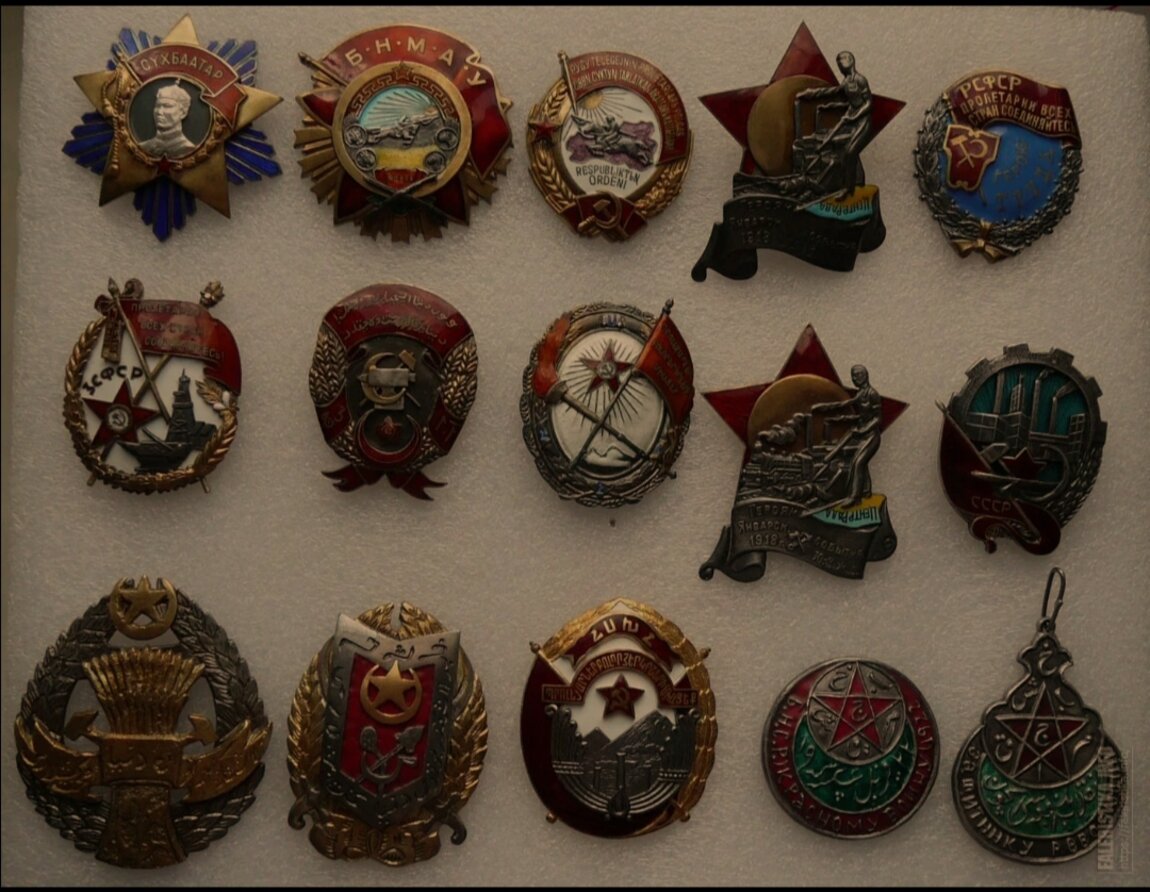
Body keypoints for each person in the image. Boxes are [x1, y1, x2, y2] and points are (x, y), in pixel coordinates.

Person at [795, 52, 872, 195]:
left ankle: (849, 189)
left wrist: (854, 117)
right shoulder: (846, 82)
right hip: (850, 116)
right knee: (827, 142)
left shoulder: (860, 80)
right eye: (837, 63)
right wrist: (811, 93)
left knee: (850, 152)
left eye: (841, 61)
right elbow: (832, 91)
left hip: (862, 121)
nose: (839, 65)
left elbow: (868, 104)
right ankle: (834, 181)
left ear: (850, 60)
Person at [810, 364, 881, 506]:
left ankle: (855, 498)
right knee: (859, 461)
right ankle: (866, 491)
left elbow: (878, 418)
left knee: (858, 463)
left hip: (871, 436)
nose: (854, 378)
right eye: (853, 376)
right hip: (860, 434)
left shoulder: (872, 394)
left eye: (857, 375)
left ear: (865, 375)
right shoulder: (860, 394)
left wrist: (863, 430)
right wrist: (824, 408)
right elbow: (843, 405)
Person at [138, 82, 197, 159]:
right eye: (157, 106)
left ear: (183, 113)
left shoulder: (189, 149)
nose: (159, 112)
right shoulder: (143, 147)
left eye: (167, 106)